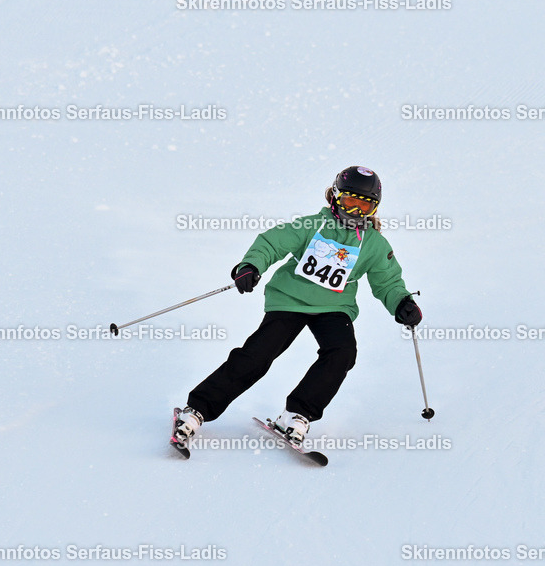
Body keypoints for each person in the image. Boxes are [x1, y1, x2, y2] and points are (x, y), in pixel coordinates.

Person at [170, 166, 422, 454]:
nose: (355, 210)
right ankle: (197, 410)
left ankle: (297, 414)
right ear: (335, 197)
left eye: (364, 205)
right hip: (289, 299)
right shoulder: (312, 225)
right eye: (349, 201)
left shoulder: (374, 244)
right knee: (258, 355)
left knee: (342, 353)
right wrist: (251, 266)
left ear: (374, 208)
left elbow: (387, 281)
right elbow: (272, 243)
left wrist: (402, 302)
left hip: (334, 307)